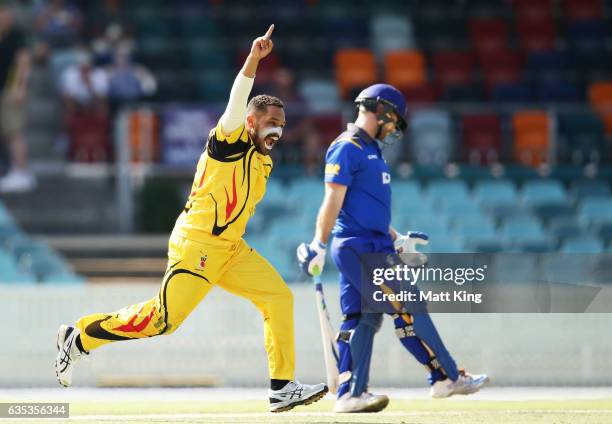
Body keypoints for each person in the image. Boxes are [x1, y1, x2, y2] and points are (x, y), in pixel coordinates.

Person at [55, 25, 328, 413]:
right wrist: (253, 60)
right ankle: (79, 337)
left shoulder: (263, 160)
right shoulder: (228, 140)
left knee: (279, 298)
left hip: (231, 250)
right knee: (162, 321)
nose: (278, 131)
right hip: (197, 244)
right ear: (250, 122)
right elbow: (237, 101)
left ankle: (281, 388)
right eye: (271, 123)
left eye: (282, 125)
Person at [297, 84, 489, 413]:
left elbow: (367, 207)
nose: (395, 127)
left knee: (362, 317)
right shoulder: (347, 147)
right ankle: (446, 375)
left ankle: (349, 393)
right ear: (381, 110)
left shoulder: (371, 149)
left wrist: (396, 238)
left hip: (373, 243)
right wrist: (318, 243)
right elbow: (333, 200)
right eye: (394, 118)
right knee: (409, 305)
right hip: (358, 247)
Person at [0, 2, 33, 193]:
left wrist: (19, 88)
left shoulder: (16, 36)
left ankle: (21, 171)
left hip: (9, 91)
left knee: (14, 132)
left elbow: (23, 63)